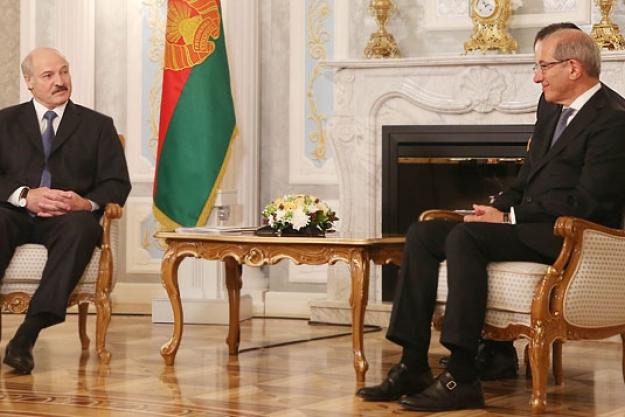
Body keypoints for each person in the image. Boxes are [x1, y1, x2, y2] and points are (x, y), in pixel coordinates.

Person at [356, 23, 625, 412]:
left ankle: (462, 375)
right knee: (424, 232)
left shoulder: (613, 120)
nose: (536, 77)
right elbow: (528, 174)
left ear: (573, 67)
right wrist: (498, 208)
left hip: (570, 238)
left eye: (542, 66)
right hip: (528, 225)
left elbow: (590, 203)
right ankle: (412, 363)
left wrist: (513, 216)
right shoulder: (550, 108)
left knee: (466, 239)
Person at [0, 48, 131, 374]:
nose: (60, 81)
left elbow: (117, 183)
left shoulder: (98, 125)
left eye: (64, 72)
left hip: (66, 218)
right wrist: (24, 196)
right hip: (13, 211)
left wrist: (85, 203)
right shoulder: (3, 122)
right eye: (48, 75)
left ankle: (26, 337)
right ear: (29, 82)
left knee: (82, 227)